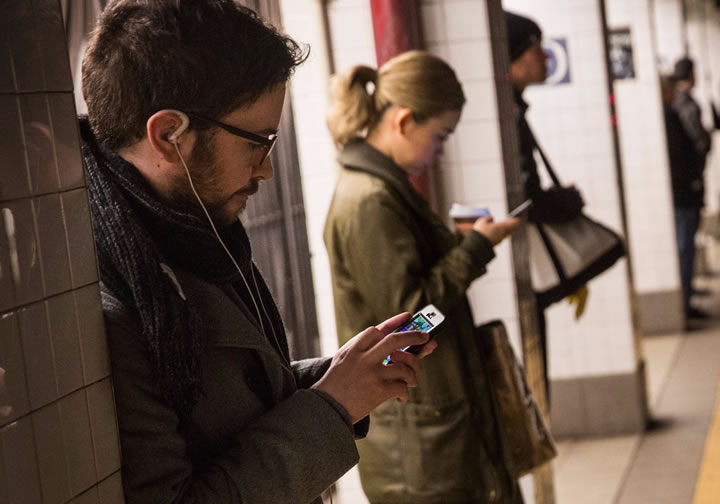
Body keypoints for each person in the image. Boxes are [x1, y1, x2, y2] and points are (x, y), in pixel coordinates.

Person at [80, 2, 435, 502]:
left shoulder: (191, 234)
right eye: (257, 142)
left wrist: (339, 376)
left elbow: (224, 405)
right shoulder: (113, 296)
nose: (266, 170)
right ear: (168, 135)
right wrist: (331, 405)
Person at [323, 50, 523, 503]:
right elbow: (413, 324)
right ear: (404, 120)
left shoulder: (384, 189)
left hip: (431, 430)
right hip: (419, 448)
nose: (440, 152)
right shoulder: (369, 201)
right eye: (440, 136)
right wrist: (474, 250)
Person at [505, 10, 586, 394]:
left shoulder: (512, 110)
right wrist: (564, 204)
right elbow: (523, 202)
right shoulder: (506, 117)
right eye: (536, 47)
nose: (546, 55)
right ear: (513, 56)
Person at [670, 58, 711, 321]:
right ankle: (685, 301)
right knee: (686, 242)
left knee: (687, 241)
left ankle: (687, 293)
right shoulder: (686, 106)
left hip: (685, 185)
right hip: (687, 186)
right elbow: (697, 142)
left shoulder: (675, 105)